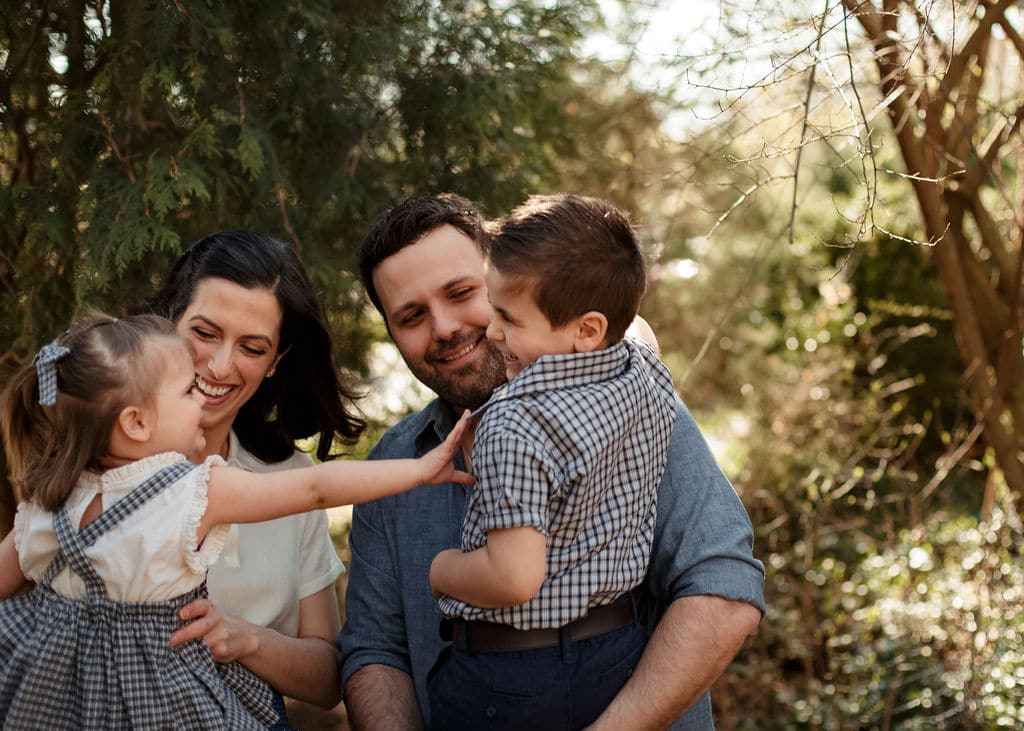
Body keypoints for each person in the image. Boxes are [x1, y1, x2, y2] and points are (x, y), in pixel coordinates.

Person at [340, 193, 766, 730]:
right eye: (411, 315)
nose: (445, 327)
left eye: (462, 292)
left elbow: (724, 585)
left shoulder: (627, 401)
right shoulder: (389, 467)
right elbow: (374, 649)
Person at [0, 313, 471, 729]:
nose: (200, 402)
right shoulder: (189, 492)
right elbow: (316, 488)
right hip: (166, 705)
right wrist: (418, 470)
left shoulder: (47, 502)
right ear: (136, 423)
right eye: (186, 392)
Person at [426, 194, 678, 729]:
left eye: (509, 318)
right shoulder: (647, 373)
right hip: (619, 654)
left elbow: (514, 577)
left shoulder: (513, 420)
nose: (492, 332)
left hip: (512, 680)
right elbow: (635, 330)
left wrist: (440, 570)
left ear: (587, 330)